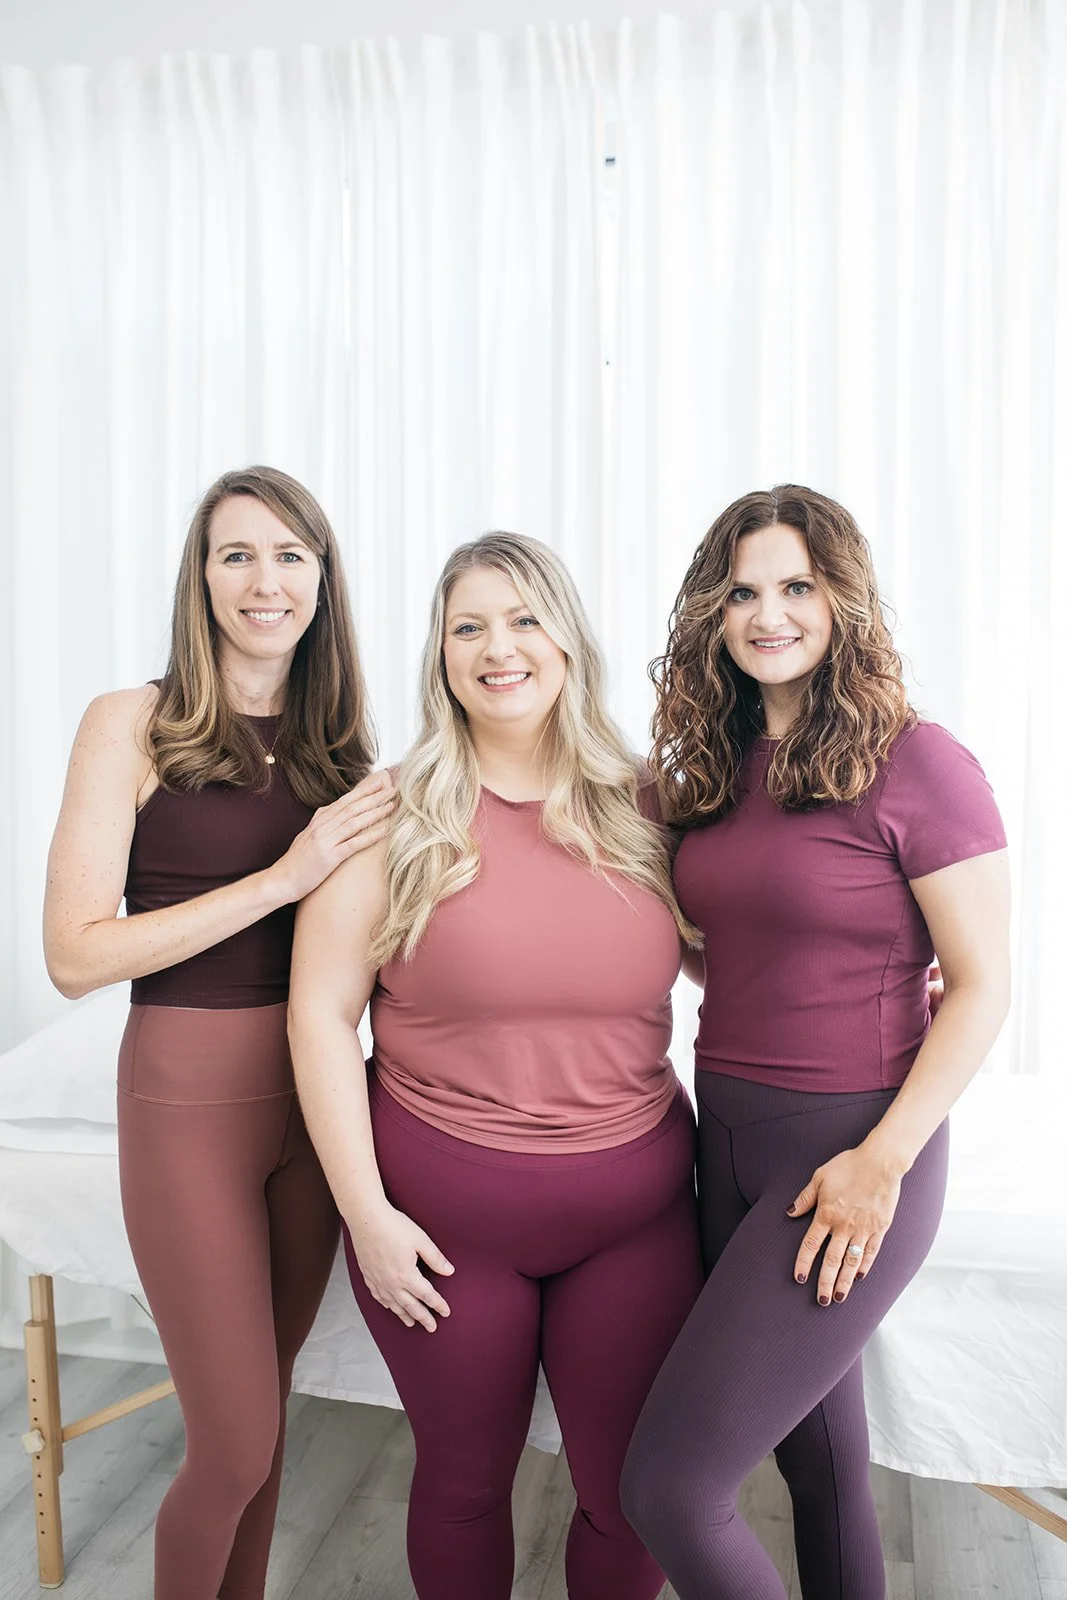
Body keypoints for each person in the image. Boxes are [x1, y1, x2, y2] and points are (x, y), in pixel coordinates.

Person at [288, 532, 705, 1600]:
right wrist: (367, 1217)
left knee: (629, 1494)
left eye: (521, 618)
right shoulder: (390, 816)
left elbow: (741, 952)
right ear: (437, 654)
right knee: (466, 1481)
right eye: (466, 625)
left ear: (565, 639)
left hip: (633, 1215)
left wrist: (891, 982)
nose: (496, 647)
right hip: (437, 1229)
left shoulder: (647, 804)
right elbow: (321, 1018)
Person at [620, 485, 1011, 1600]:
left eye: (794, 585)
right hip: (724, 1137)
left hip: (850, 1150)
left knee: (670, 1488)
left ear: (841, 596)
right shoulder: (705, 768)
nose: (767, 613)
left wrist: (877, 1166)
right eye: (741, 591)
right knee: (816, 1454)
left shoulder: (919, 762)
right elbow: (725, 950)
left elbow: (983, 987)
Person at [43, 466, 395, 1600]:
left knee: (267, 1423)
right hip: (187, 1097)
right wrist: (279, 878)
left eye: (292, 555)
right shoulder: (131, 723)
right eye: (237, 553)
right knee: (232, 1441)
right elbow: (75, 954)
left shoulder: (344, 745)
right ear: (200, 577)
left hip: (317, 1099)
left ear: (322, 580)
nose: (265, 580)